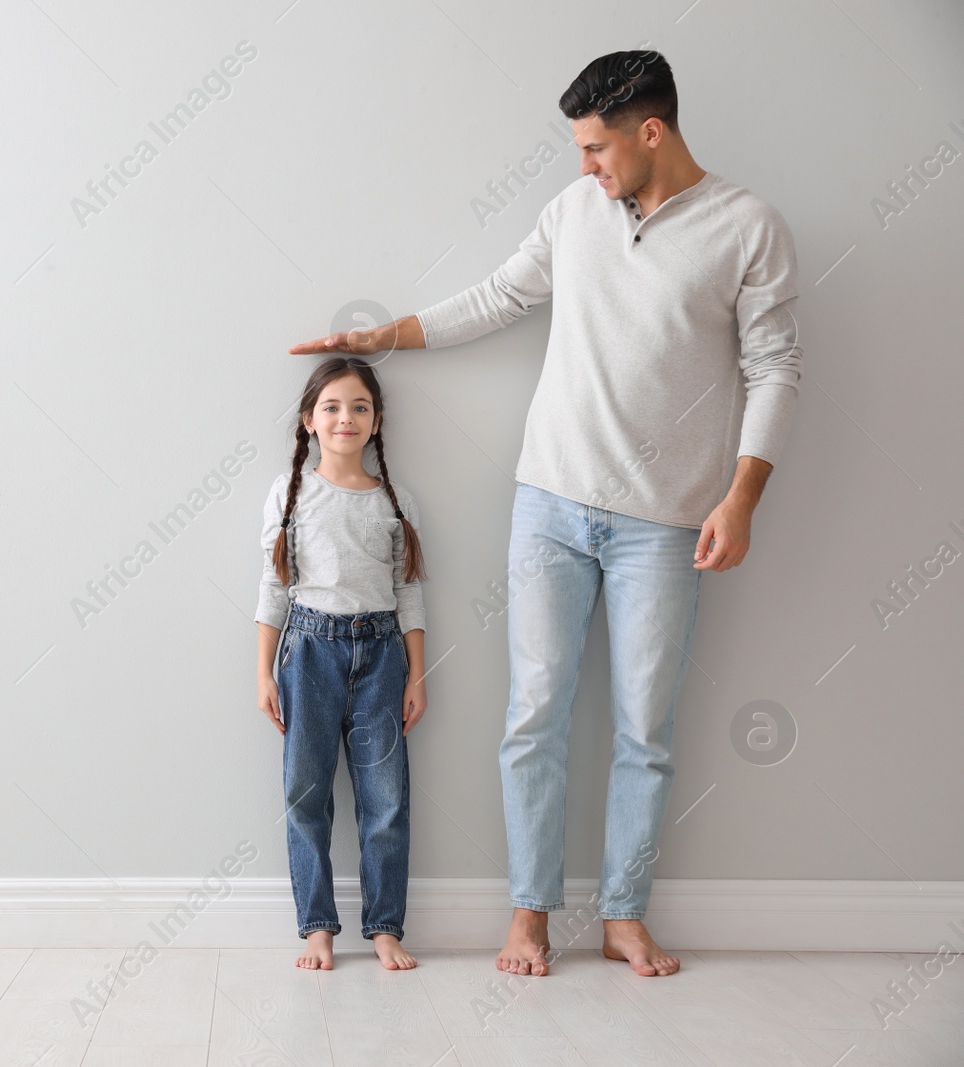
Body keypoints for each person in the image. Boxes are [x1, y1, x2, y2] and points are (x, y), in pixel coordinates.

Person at [289, 49, 803, 978]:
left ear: (652, 132)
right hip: (550, 505)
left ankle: (622, 914)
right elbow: (498, 297)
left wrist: (742, 494)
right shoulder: (574, 213)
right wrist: (381, 337)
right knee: (535, 714)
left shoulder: (748, 228)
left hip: (668, 522)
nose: (585, 166)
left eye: (596, 146)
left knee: (645, 729)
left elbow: (775, 367)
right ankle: (529, 913)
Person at [255, 356, 429, 971]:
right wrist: (264, 672)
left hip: (381, 655)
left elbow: (409, 591)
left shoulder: (394, 500)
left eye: (359, 407)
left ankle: (384, 927)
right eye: (330, 407)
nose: (345, 418)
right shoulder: (289, 493)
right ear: (309, 421)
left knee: (386, 798)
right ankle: (317, 928)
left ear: (376, 420)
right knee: (306, 793)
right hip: (307, 652)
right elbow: (274, 586)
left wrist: (416, 673)